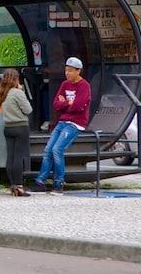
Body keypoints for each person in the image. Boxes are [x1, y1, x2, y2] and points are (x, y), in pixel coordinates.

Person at [33, 57, 91, 195]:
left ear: (78, 71)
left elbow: (78, 107)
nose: (67, 73)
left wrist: (66, 104)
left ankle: (59, 183)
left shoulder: (84, 86)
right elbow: (55, 105)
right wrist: (67, 104)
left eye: (70, 70)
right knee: (48, 150)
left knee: (57, 149)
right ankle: (40, 182)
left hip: (75, 124)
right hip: (62, 122)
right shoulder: (65, 85)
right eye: (66, 70)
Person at [0, 68, 33, 197]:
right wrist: (21, 91)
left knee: (10, 157)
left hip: (8, 127)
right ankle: (19, 186)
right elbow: (28, 110)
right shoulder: (17, 93)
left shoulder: (2, 93)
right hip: (20, 127)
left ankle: (13, 185)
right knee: (18, 158)